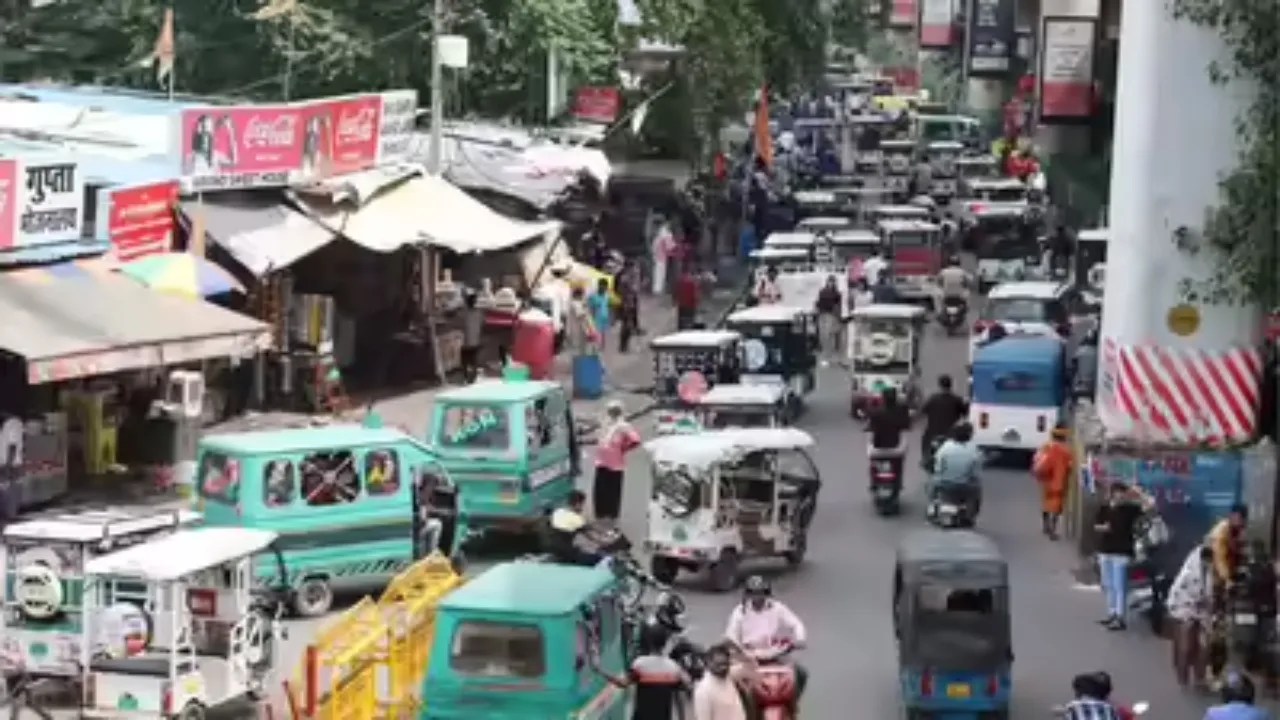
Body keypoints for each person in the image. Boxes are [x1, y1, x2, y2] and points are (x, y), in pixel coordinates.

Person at [724, 575, 807, 711]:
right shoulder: (740, 612)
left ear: (766, 593)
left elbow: (796, 624)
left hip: (775, 654)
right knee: (734, 683)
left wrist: (799, 639)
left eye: (761, 592)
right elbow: (731, 635)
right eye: (753, 593)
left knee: (801, 673)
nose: (757, 597)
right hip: (749, 657)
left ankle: (792, 705)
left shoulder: (777, 608)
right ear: (748, 594)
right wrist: (738, 650)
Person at [600, 622, 689, 720]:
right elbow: (681, 697)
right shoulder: (673, 668)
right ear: (665, 643)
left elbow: (622, 683)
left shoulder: (640, 665)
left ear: (649, 641)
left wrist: (601, 671)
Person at [1093, 482, 1148, 630]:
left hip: (1122, 552)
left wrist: (1139, 495)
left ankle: (1120, 617)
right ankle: (1112, 613)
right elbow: (1096, 525)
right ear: (1112, 494)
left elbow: (1150, 508)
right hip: (1105, 550)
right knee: (1107, 584)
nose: (1120, 496)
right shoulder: (1104, 508)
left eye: (1123, 493)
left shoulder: (1130, 509)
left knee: (1119, 585)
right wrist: (1103, 528)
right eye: (1117, 493)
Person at [1167, 544, 1214, 687]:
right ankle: (1183, 678)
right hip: (1184, 611)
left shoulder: (1209, 574)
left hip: (1201, 613)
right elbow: (1178, 596)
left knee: (1203, 647)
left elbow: (1209, 595)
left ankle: (1200, 678)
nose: (1208, 563)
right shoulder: (1187, 574)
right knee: (1185, 647)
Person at [593, 400, 641, 521]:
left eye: (613, 411)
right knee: (600, 489)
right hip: (601, 461)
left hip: (615, 463)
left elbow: (635, 440)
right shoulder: (605, 423)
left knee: (613, 490)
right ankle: (601, 511)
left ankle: (612, 513)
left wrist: (624, 448)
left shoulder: (623, 426)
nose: (611, 413)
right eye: (610, 411)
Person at [931, 421, 983, 515]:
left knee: (931, 485)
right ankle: (971, 514)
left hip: (943, 483)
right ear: (970, 435)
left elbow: (938, 467)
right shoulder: (974, 450)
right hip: (964, 485)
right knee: (977, 488)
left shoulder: (945, 447)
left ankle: (932, 508)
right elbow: (975, 473)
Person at [1033, 425, 1073, 539]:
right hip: (1059, 482)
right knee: (1056, 507)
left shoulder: (1046, 447)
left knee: (1046, 503)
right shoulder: (1066, 451)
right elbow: (1070, 466)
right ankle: (1053, 529)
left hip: (1046, 481)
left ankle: (1045, 525)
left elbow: (1037, 461)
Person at [693, 643, 752, 720]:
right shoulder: (703, 691)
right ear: (708, 663)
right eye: (719, 665)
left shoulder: (729, 675)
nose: (723, 668)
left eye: (726, 664)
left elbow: (747, 666)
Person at [920, 375, 968, 462]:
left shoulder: (932, 398)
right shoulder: (957, 400)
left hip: (933, 432)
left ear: (940, 385)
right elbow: (965, 414)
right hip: (950, 433)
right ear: (951, 385)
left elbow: (923, 411)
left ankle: (926, 459)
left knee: (925, 443)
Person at [1207, 504, 1249, 588]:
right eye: (1239, 518)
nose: (1241, 522)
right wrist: (1227, 579)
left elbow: (1236, 552)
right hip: (1214, 577)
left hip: (1226, 575)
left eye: (1243, 519)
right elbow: (1219, 558)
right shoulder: (1221, 532)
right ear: (1232, 516)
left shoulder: (1236, 531)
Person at [814, 275, 843, 360]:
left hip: (831, 314)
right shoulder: (822, 292)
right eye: (830, 281)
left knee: (830, 334)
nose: (831, 283)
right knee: (823, 335)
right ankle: (825, 351)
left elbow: (838, 305)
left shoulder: (837, 293)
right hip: (823, 314)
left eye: (832, 281)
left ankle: (831, 352)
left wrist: (838, 315)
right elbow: (818, 303)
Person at [460, 290, 485, 383]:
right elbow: (483, 324)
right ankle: (472, 377)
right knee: (474, 360)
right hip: (476, 342)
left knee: (465, 361)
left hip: (466, 343)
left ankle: (466, 376)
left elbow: (457, 324)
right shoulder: (479, 313)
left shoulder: (464, 313)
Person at [587, 278, 612, 349]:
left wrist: (610, 316)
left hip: (604, 316)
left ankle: (602, 345)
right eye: (602, 286)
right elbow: (590, 307)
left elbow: (609, 306)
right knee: (595, 332)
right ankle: (594, 346)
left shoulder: (607, 295)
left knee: (603, 331)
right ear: (599, 286)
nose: (604, 288)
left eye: (605, 287)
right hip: (596, 317)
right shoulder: (593, 296)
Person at [675, 264, 700, 330]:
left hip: (682, 303)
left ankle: (680, 331)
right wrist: (697, 303)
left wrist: (676, 300)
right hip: (690, 304)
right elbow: (695, 294)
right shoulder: (693, 281)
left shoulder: (680, 280)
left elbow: (676, 291)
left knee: (681, 320)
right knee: (690, 320)